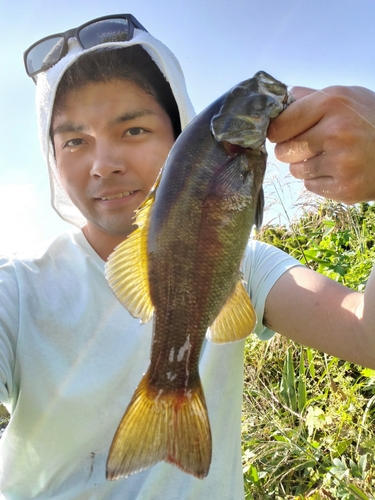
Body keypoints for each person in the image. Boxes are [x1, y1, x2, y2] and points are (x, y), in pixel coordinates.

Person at [0, 12, 374, 499]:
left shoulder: (249, 266)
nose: (104, 164)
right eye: (74, 140)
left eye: (132, 130)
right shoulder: (16, 291)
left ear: (180, 143)